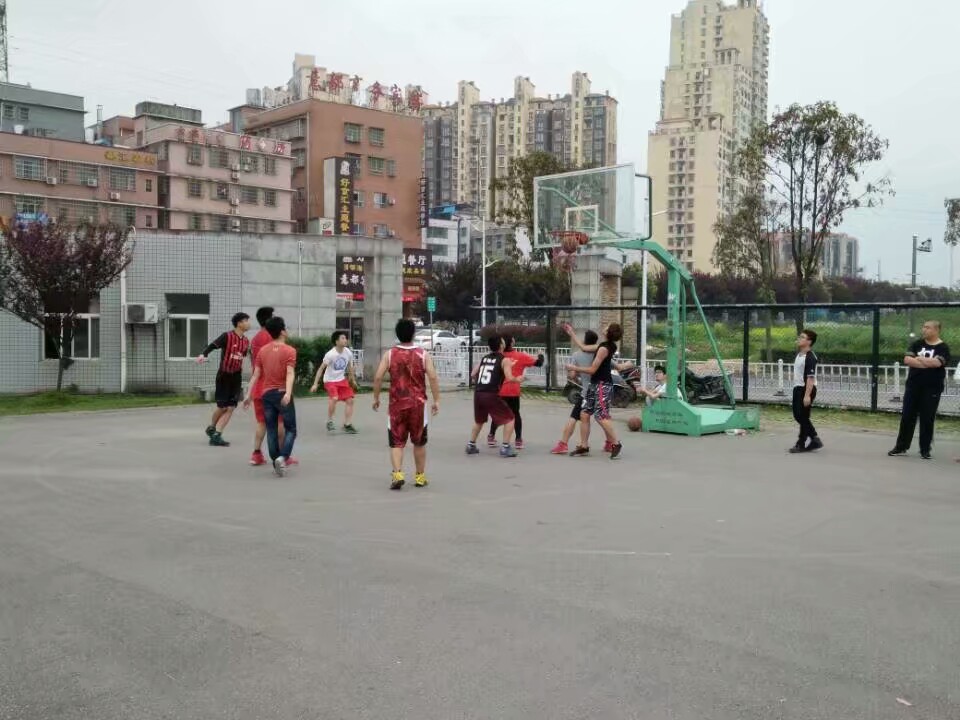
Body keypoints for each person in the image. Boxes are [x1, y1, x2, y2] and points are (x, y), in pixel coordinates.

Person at [372, 319, 441, 490]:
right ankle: (420, 477)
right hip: (418, 405)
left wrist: (376, 398)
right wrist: (437, 400)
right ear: (413, 334)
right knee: (419, 442)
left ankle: (397, 474)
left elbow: (378, 377)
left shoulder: (390, 354)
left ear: (397, 334)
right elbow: (432, 377)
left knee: (396, 442)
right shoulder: (423, 354)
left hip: (396, 405)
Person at [889, 320, 951, 460]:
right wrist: (927, 363)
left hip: (932, 388)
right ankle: (901, 446)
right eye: (923, 327)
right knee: (907, 417)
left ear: (936, 330)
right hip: (913, 387)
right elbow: (907, 360)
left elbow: (937, 363)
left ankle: (925, 450)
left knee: (927, 418)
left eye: (928, 327)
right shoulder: (917, 344)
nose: (924, 329)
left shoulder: (943, 347)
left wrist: (919, 359)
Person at [244, 316, 297, 477]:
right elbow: (290, 373)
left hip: (266, 394)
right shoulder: (290, 350)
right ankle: (283, 457)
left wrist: (248, 395)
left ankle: (276, 463)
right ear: (282, 331)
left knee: (271, 429)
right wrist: (288, 393)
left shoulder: (263, 350)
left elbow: (255, 375)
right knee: (291, 429)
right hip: (282, 393)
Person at [566, 323, 624, 459]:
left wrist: (574, 368)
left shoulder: (603, 348)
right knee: (584, 413)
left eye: (607, 327)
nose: (605, 327)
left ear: (608, 332)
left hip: (602, 385)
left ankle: (616, 443)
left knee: (600, 416)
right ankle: (584, 446)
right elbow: (584, 347)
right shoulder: (605, 345)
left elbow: (592, 370)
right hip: (594, 384)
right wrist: (572, 333)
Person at [197, 312, 251, 447]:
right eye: (246, 321)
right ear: (239, 323)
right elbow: (212, 345)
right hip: (224, 375)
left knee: (231, 407)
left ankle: (217, 435)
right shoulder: (227, 336)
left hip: (236, 377)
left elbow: (242, 356)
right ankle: (212, 427)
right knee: (222, 407)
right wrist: (203, 354)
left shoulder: (246, 341)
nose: (248, 323)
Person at [466, 335, 520, 458]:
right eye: (502, 341)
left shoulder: (484, 358)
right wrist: (519, 379)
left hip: (478, 392)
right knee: (510, 418)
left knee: (479, 420)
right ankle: (505, 447)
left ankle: (471, 445)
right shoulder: (504, 360)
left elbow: (473, 374)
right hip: (491, 393)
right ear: (501, 345)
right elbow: (510, 378)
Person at [488, 335, 544, 450]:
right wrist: (540, 354)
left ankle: (491, 436)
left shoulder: (499, 357)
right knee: (516, 414)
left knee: (499, 414)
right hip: (513, 390)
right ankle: (518, 440)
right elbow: (539, 363)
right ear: (512, 343)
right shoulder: (520, 356)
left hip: (499, 390)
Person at [551, 330, 598, 455]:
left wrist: (575, 372)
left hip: (587, 392)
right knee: (603, 419)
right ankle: (610, 442)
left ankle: (563, 444)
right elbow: (615, 367)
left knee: (574, 417)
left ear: (584, 341)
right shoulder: (600, 354)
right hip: (603, 391)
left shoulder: (577, 355)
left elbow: (572, 375)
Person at [310, 330, 359, 434]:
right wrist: (315, 384)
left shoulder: (348, 352)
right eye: (343, 338)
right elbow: (321, 369)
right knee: (334, 398)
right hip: (330, 381)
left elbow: (350, 367)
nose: (345, 340)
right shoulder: (330, 354)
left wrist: (353, 380)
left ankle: (347, 425)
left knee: (350, 400)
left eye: (346, 338)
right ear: (336, 341)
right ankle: (329, 421)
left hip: (341, 380)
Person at [789, 329, 822, 454]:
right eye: (800, 336)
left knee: (800, 415)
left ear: (809, 342)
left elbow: (810, 378)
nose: (799, 339)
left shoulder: (810, 357)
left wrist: (807, 395)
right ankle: (803, 443)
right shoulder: (800, 355)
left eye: (802, 337)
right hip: (798, 387)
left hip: (806, 389)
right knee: (803, 416)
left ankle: (812, 438)